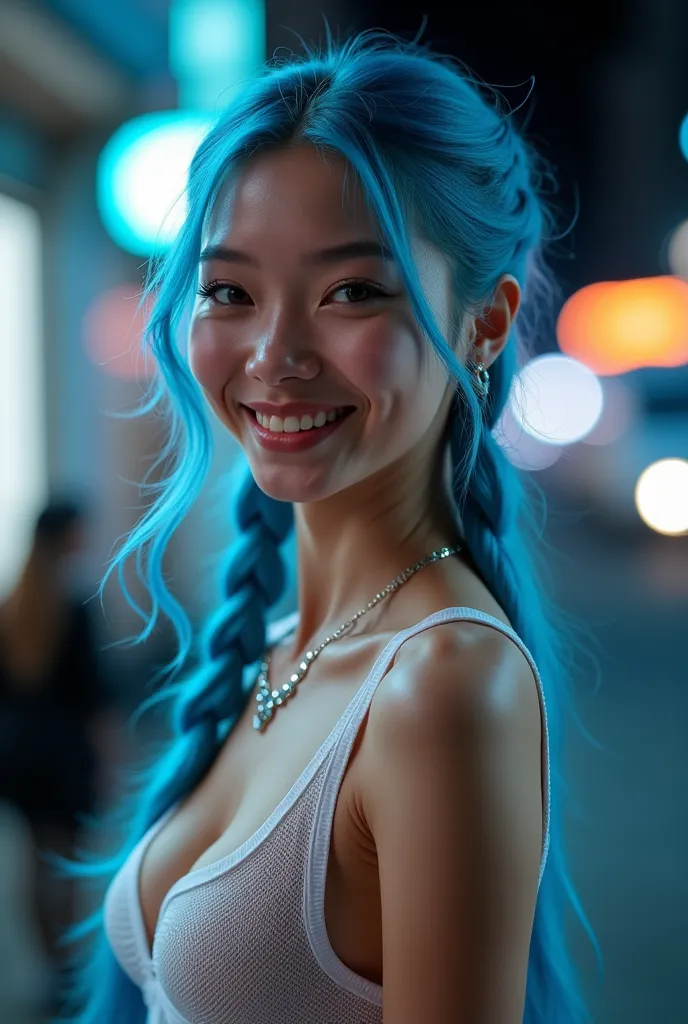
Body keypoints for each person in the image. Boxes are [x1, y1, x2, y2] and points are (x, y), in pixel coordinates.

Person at [56, 31, 600, 1024]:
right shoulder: (280, 647)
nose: (274, 355)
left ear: (484, 321)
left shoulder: (442, 686)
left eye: (352, 290)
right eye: (230, 291)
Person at [0, 499, 106, 983]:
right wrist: (108, 757)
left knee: (36, 861)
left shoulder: (10, 609)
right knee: (67, 862)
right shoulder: (75, 608)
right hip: (64, 756)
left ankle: (48, 967)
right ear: (64, 537)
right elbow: (93, 699)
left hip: (18, 754)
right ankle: (67, 968)